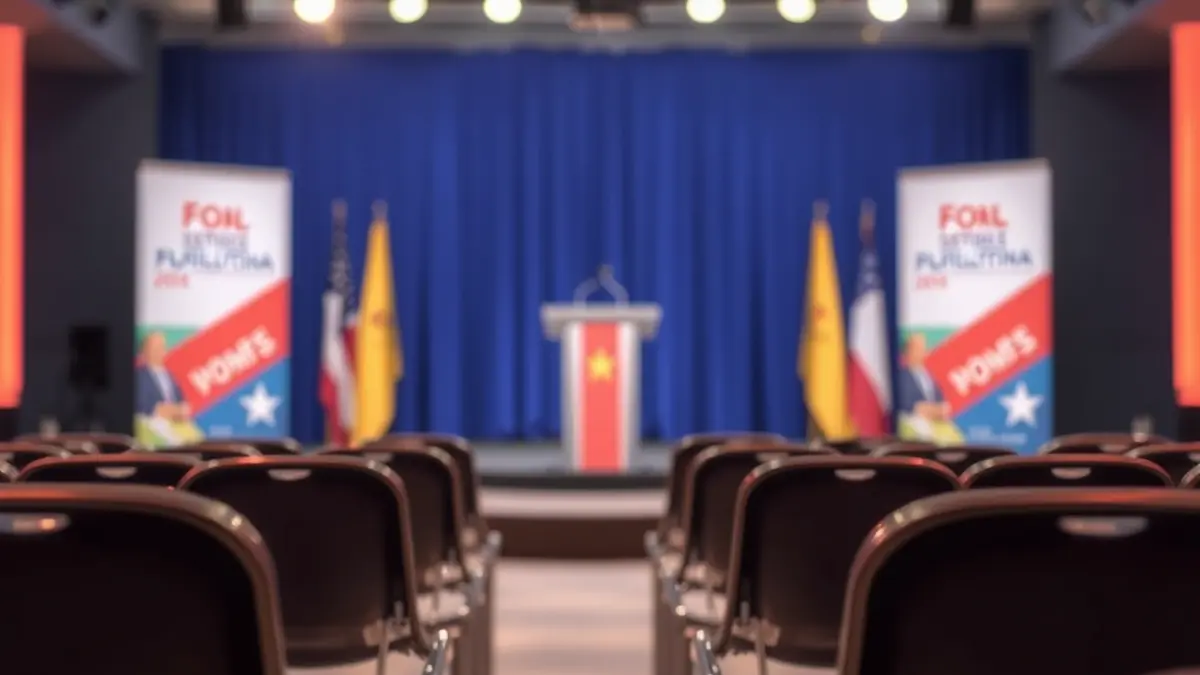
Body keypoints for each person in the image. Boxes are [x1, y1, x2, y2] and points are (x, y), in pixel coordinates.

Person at [134, 331, 203, 447]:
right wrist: (167, 411)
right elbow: (142, 405)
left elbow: (182, 402)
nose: (159, 351)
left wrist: (182, 410)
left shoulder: (170, 375)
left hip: (176, 423)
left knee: (197, 441)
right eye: (154, 347)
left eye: (161, 347)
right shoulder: (138, 376)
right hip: (151, 424)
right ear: (144, 351)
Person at [896, 332, 964, 444]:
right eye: (917, 348)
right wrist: (923, 409)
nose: (922, 352)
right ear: (908, 351)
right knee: (926, 439)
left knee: (955, 436)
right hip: (912, 422)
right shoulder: (901, 376)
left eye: (923, 348)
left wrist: (939, 410)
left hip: (936, 421)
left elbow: (940, 400)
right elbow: (906, 404)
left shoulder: (929, 375)